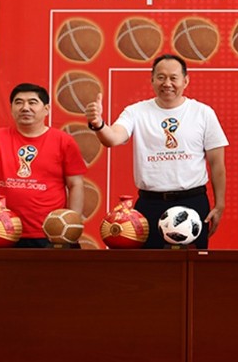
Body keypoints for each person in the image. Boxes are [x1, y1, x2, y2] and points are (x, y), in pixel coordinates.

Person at [86, 54, 228, 249]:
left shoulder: (203, 112)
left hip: (192, 203)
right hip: (150, 204)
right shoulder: (136, 112)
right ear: (152, 80)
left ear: (185, 81)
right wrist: (98, 124)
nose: (167, 83)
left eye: (173, 78)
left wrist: (220, 204)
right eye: (161, 77)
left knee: (192, 264)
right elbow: (112, 138)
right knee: (149, 265)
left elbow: (217, 164)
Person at [0, 83, 85, 247]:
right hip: (4, 230)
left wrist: (71, 225)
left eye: (32, 102)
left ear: (46, 109)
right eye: (19, 102)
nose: (25, 107)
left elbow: (75, 184)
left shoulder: (64, 141)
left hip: (51, 232)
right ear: (11, 109)